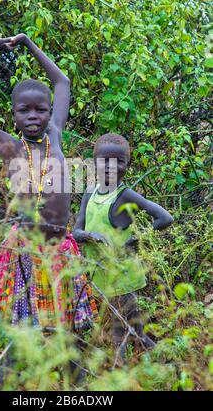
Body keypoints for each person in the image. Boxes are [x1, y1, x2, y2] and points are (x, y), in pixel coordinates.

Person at [0, 34, 98, 335]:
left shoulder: (56, 136)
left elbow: (62, 83)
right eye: (25, 110)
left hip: (61, 247)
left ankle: (69, 382)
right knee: (23, 333)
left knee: (68, 334)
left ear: (50, 112)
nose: (33, 116)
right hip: (24, 250)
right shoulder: (8, 146)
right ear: (14, 115)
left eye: (41, 110)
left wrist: (28, 43)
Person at [73, 133, 174, 363]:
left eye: (118, 161)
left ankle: (125, 372)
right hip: (99, 273)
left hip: (121, 275)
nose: (110, 167)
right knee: (130, 328)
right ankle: (164, 363)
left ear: (127, 166)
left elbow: (165, 218)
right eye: (104, 160)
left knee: (121, 329)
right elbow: (76, 232)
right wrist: (91, 236)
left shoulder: (125, 195)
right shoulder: (90, 193)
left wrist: (134, 241)